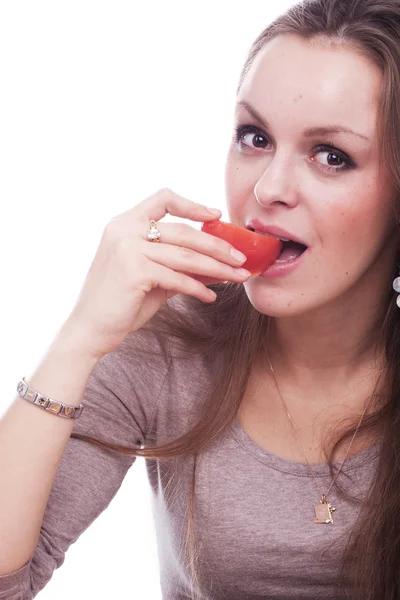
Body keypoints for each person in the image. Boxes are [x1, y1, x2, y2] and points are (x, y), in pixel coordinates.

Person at [1, 0, 400, 598]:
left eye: (331, 156)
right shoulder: (167, 338)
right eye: (254, 137)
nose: (266, 189)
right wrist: (80, 337)